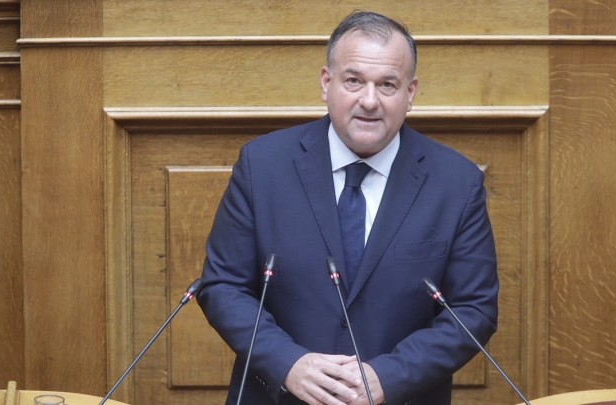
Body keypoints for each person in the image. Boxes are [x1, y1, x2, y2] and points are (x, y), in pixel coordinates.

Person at [197, 10, 498, 405]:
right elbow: (223, 286)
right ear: (327, 83)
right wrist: (288, 363)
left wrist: (389, 376)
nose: (369, 101)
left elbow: (474, 309)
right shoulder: (262, 166)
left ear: (410, 93)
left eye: (387, 84)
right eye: (354, 80)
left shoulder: (456, 183)